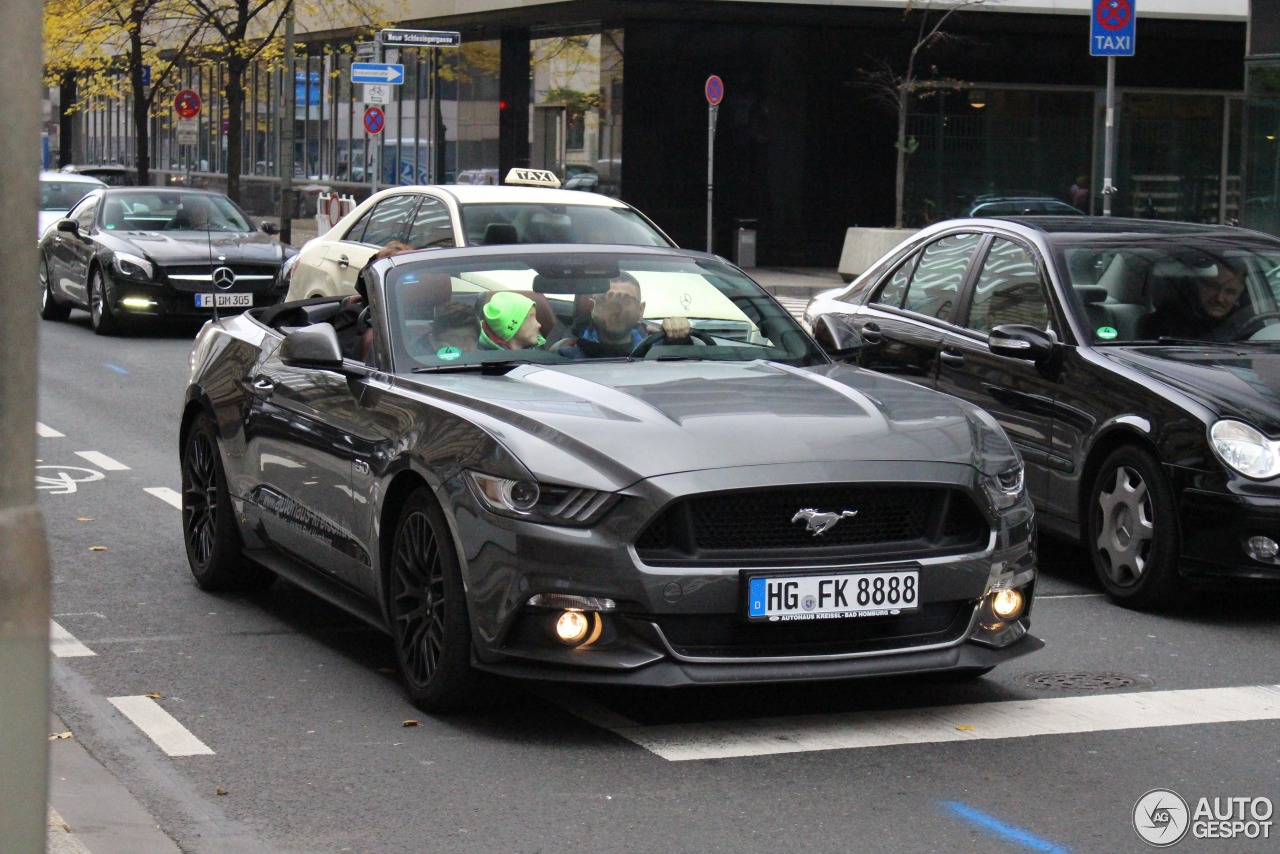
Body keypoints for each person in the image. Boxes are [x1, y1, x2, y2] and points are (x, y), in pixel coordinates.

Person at [557, 272, 690, 359]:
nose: (616, 309)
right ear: (593, 307)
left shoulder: (659, 350)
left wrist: (680, 339)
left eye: (626, 301)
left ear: (640, 310)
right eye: (608, 300)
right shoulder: (567, 356)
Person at [1136, 262, 1251, 342]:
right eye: (1213, 287)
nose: (1220, 298)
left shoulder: (1249, 326)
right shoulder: (1156, 325)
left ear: (1240, 293)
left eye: (1230, 292)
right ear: (1197, 284)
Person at [479, 291, 545, 350]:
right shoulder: (489, 359)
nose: (538, 325)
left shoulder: (538, 350)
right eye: (531, 318)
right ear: (514, 326)